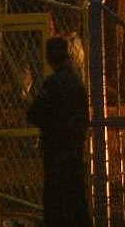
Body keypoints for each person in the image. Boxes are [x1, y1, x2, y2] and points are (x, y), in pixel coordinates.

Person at [26, 36, 91, 226]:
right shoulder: (77, 83)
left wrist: (51, 123)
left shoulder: (52, 83)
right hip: (75, 149)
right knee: (77, 199)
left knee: (55, 201)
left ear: (49, 58)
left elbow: (33, 113)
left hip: (55, 150)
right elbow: (84, 118)